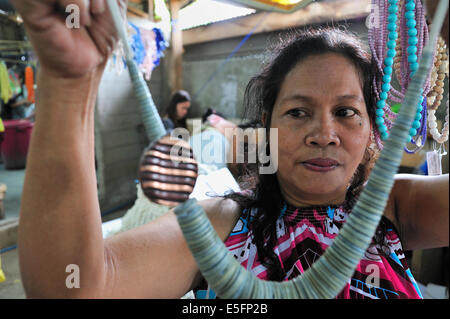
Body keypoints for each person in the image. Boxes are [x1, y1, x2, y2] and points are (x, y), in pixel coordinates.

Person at [14, 0, 448, 299]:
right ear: (267, 130)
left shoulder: (394, 205)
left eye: (346, 112)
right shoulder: (218, 225)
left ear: (371, 129)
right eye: (298, 112)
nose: (323, 133)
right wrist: (69, 83)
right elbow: (70, 287)